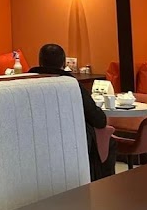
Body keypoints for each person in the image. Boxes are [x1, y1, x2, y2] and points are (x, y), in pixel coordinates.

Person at [29, 43, 115, 180]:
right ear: (63, 63)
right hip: (72, 143)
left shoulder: (27, 84)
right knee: (109, 142)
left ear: (40, 62)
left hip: (36, 142)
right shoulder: (70, 85)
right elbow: (98, 120)